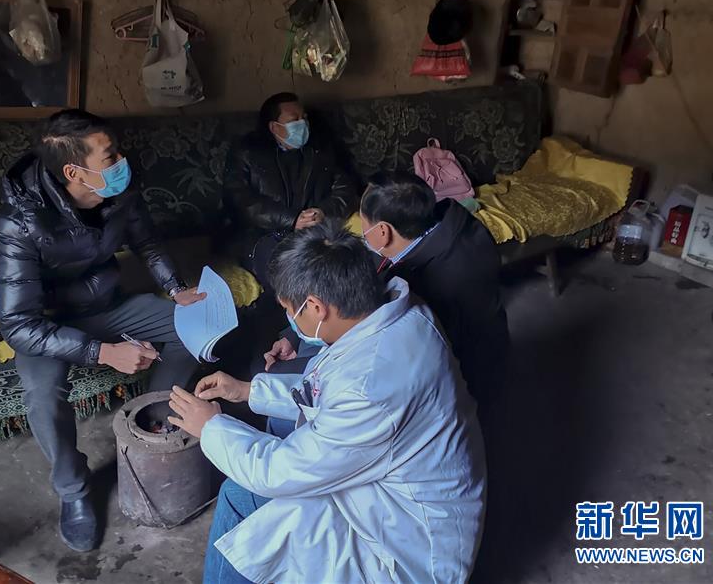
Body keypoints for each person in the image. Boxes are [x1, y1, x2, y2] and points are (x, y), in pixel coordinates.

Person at [167, 223, 486, 583]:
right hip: (398, 489)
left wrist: (212, 427)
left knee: (246, 503)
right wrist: (247, 391)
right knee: (256, 477)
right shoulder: (399, 313)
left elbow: (276, 472)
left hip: (405, 547)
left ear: (316, 307)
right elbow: (326, 391)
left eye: (290, 310)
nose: (290, 319)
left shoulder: (370, 388)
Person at [0, 109, 204, 553]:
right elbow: (18, 325)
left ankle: (154, 419)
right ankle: (73, 490)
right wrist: (103, 352)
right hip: (48, 323)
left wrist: (175, 288)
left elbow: (147, 242)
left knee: (193, 326)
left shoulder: (118, 192)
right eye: (110, 156)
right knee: (42, 394)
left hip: (106, 304)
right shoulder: (20, 222)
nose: (122, 161)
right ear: (74, 172)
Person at [360, 171, 509, 412]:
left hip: (466, 377)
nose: (362, 231)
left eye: (363, 223)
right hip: (493, 341)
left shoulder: (425, 285)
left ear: (382, 231)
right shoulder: (459, 225)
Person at [223, 92, 357, 289]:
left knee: (346, 262)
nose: (302, 124)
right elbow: (239, 199)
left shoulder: (321, 148)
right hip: (265, 234)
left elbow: (345, 189)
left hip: (318, 229)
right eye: (294, 120)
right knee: (290, 272)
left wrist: (323, 212)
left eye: (304, 118)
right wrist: (292, 220)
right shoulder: (247, 152)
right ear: (273, 127)